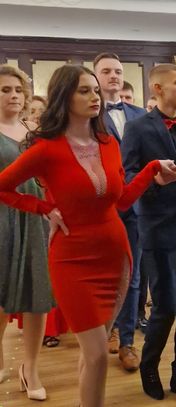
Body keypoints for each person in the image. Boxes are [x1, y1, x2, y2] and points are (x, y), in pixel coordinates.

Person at [0, 64, 176, 407]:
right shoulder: (46, 148)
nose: (94, 97)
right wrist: (45, 208)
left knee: (92, 353)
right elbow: (3, 187)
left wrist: (151, 169)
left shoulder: (108, 142)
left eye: (95, 90)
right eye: (84, 91)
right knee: (98, 354)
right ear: (64, 97)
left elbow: (122, 200)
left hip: (115, 256)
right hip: (71, 259)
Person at [121, 64, 176, 406]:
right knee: (166, 306)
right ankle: (149, 367)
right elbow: (127, 176)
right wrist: (153, 179)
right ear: (157, 88)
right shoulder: (137, 128)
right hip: (157, 226)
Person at [0, 65, 52, 401]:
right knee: (1, 296)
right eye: (5, 90)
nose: (14, 96)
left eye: (18, 90)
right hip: (2, 220)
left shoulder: (35, 131)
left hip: (36, 220)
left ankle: (30, 368)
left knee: (38, 297)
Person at [93, 52, 147, 370]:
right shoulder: (87, 114)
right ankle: (108, 330)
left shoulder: (140, 115)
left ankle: (127, 341)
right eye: (106, 71)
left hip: (137, 207)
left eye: (117, 71)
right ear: (95, 76)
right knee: (105, 274)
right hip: (102, 207)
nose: (113, 76)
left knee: (133, 275)